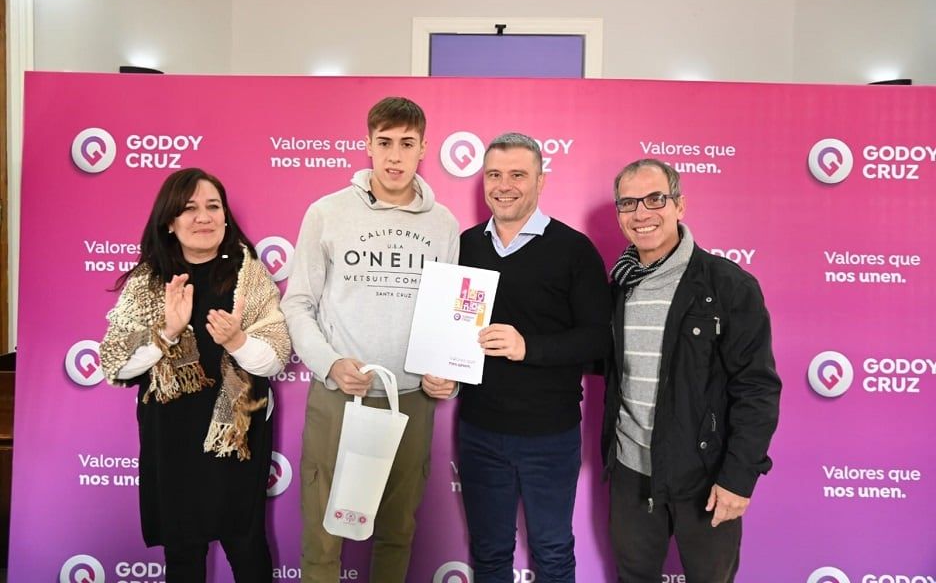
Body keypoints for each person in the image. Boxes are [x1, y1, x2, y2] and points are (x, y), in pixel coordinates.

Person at [280, 96, 460, 583]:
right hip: (341, 396)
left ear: (424, 148)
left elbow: (450, 316)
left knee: (398, 529)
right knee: (323, 530)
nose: (395, 156)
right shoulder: (327, 212)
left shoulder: (443, 224)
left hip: (412, 400)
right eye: (385, 143)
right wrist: (330, 364)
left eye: (406, 144)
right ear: (368, 146)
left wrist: (449, 376)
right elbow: (296, 304)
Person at [100, 168, 291, 582]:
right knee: (183, 549)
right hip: (171, 436)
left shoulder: (249, 273)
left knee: (246, 542)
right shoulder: (149, 280)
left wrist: (238, 341)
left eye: (212, 207)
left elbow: (275, 357)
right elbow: (115, 363)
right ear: (170, 221)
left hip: (235, 435)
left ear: (225, 216)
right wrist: (166, 332)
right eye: (189, 209)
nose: (203, 217)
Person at [601, 158, 782, 583]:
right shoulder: (618, 284)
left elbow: (756, 388)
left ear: (679, 206)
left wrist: (739, 478)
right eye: (629, 203)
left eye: (655, 199)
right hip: (632, 474)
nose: (641, 213)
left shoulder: (728, 285)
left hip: (704, 476)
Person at [457, 132, 611, 583]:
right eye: (494, 175)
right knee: (488, 554)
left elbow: (598, 340)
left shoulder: (573, 250)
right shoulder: (464, 245)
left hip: (550, 436)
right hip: (479, 431)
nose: (504, 186)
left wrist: (530, 347)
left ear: (541, 181)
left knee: (552, 552)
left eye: (518, 175)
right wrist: (438, 371)